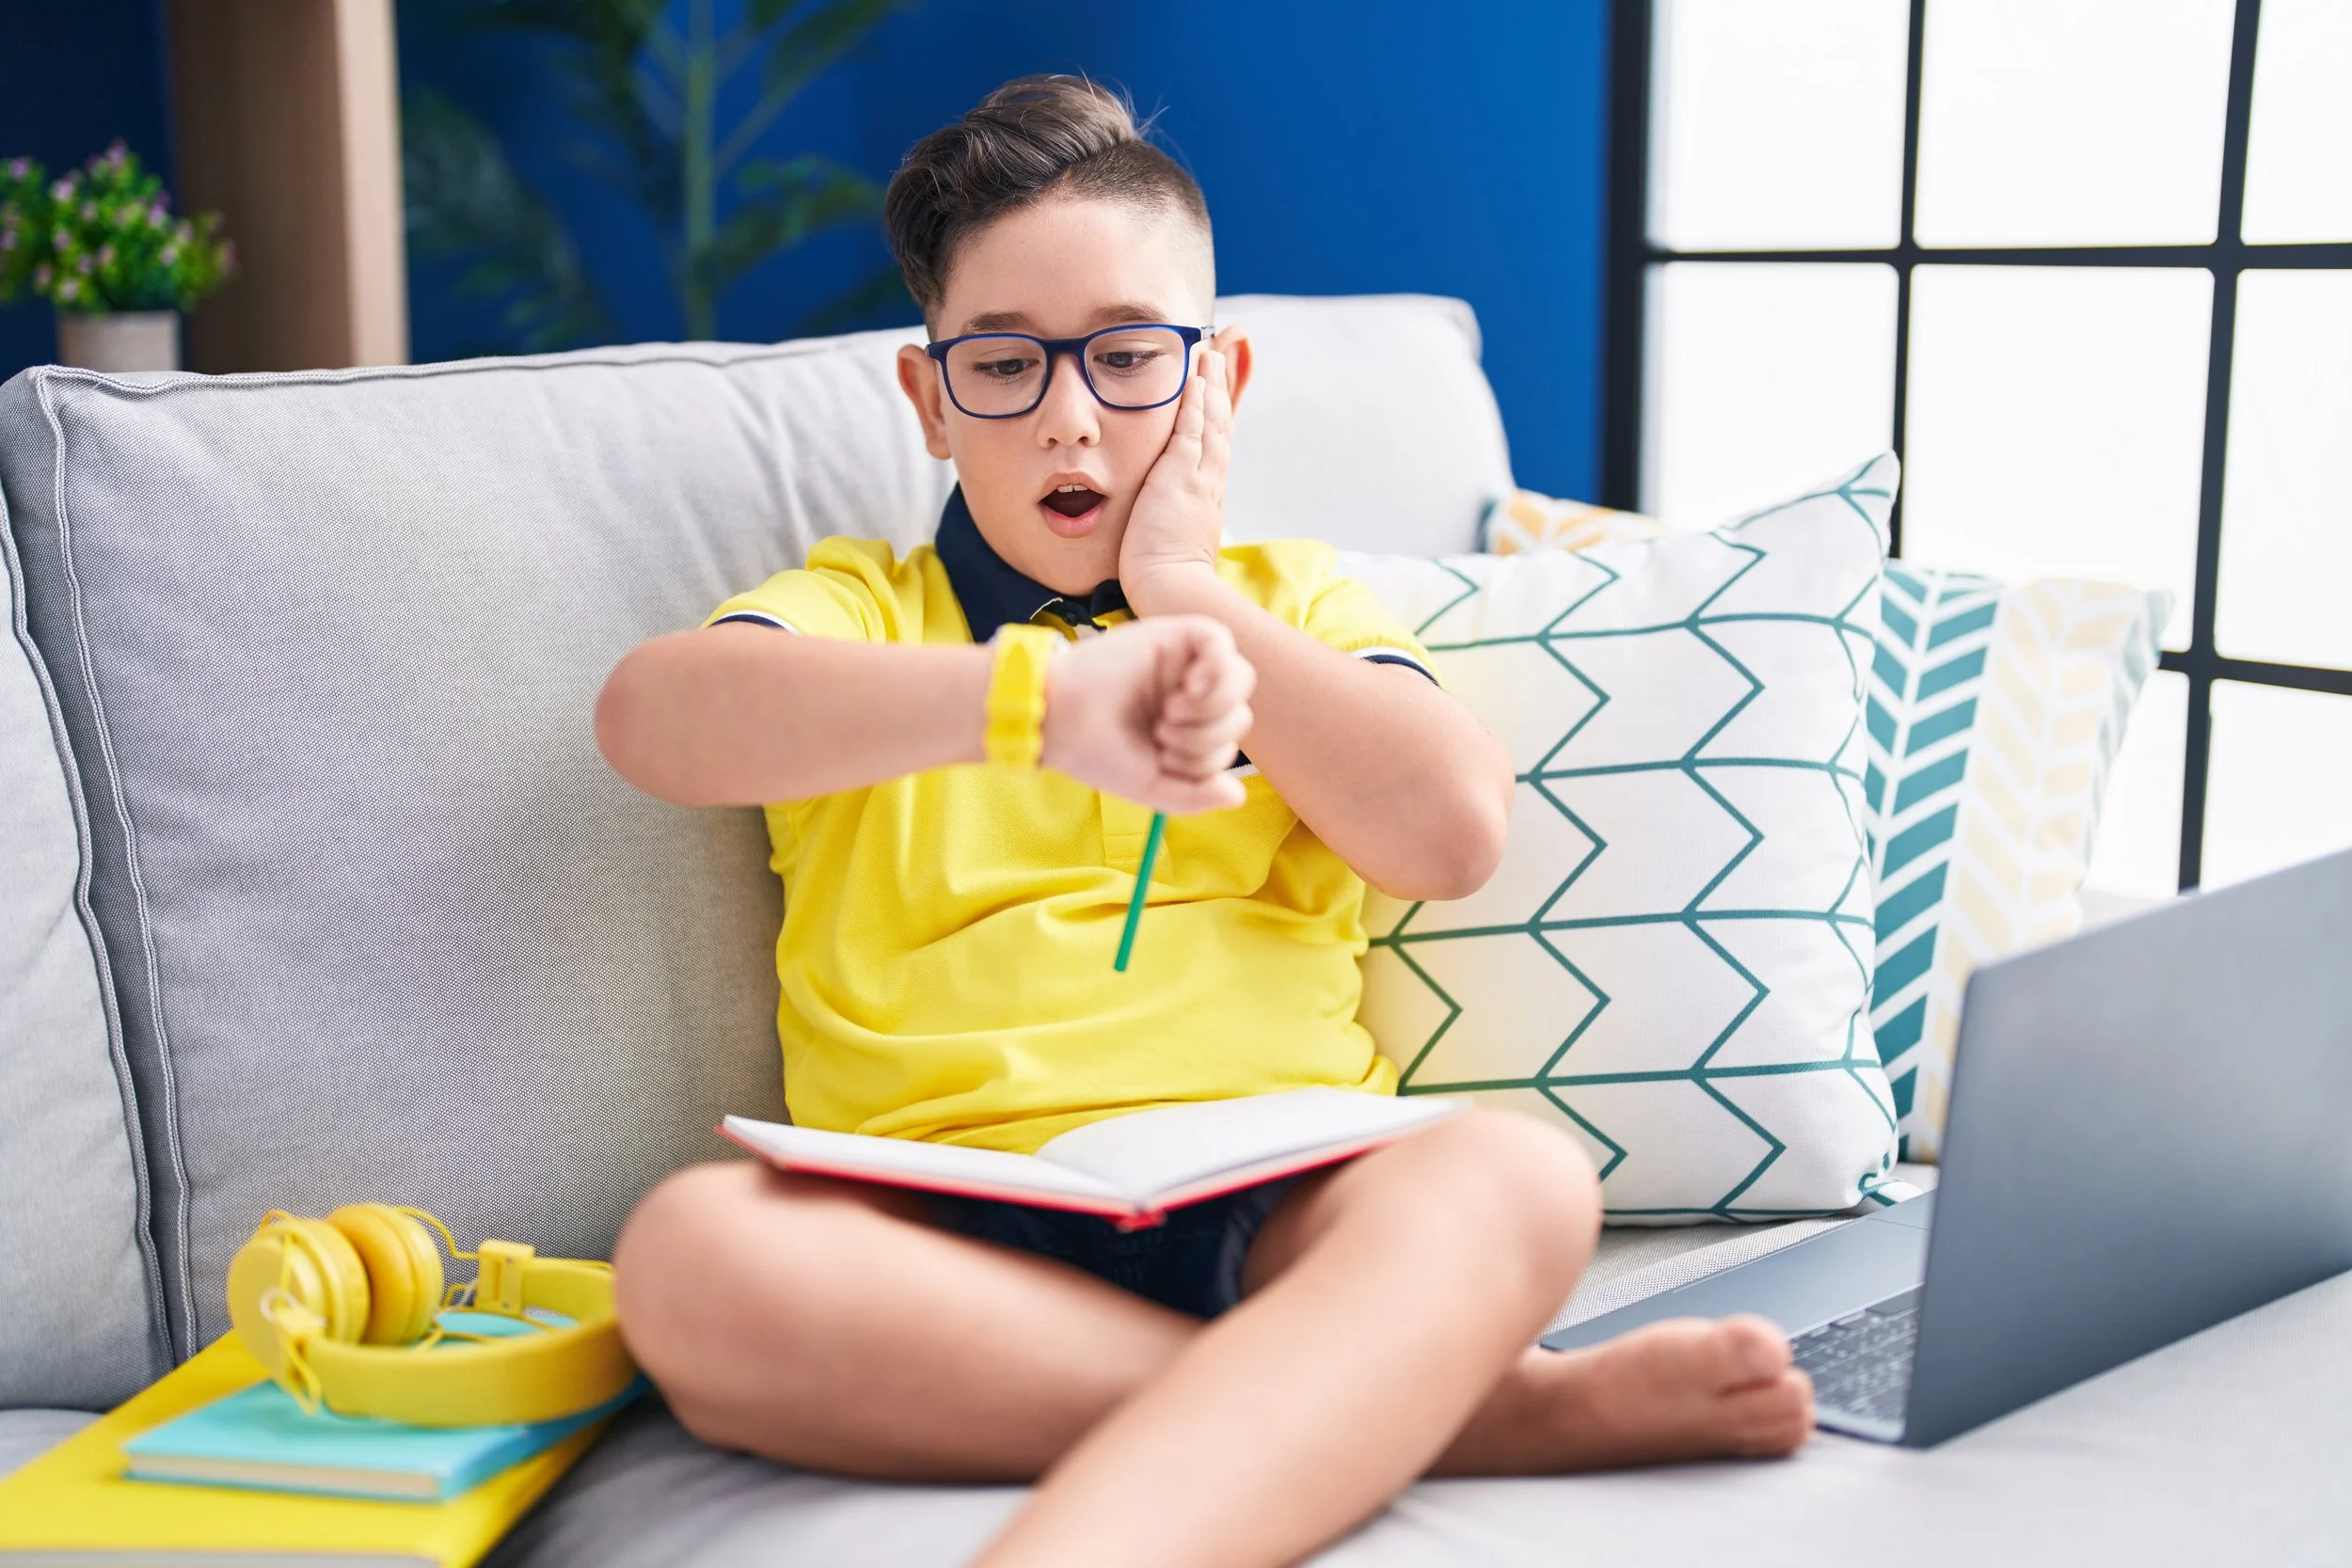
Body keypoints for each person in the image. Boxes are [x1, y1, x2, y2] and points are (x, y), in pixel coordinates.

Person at [597, 74, 1812, 1568]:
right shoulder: (866, 611)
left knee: (1518, 1177)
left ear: (1218, 382)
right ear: (929, 401)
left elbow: (1448, 835)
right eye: (1003, 366)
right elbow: (654, 719)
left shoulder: (1294, 603)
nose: (1067, 416)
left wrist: (1185, 591)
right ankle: (1470, 1415)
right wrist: (1030, 703)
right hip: (945, 1233)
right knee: (689, 1261)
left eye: (1125, 358)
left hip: (1284, 1197)